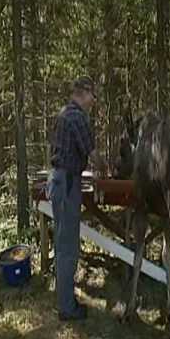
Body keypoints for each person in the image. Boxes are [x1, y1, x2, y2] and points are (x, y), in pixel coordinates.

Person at [46, 76, 106, 321]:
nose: (94, 101)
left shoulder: (63, 114)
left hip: (59, 181)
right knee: (68, 247)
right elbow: (91, 153)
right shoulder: (77, 117)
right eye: (93, 96)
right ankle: (67, 308)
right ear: (83, 92)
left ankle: (64, 300)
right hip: (68, 183)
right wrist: (106, 167)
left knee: (62, 245)